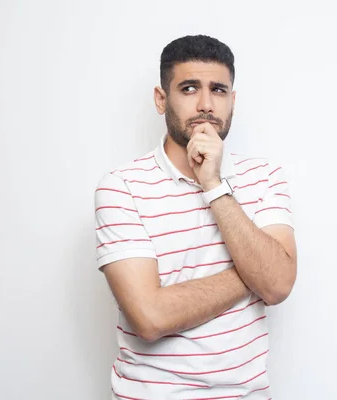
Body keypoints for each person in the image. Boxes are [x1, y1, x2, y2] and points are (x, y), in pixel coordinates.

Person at [94, 34, 297, 400]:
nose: (206, 105)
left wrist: (214, 186)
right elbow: (150, 317)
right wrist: (255, 272)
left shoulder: (265, 178)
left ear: (232, 101)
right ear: (161, 99)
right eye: (189, 88)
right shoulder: (121, 186)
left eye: (218, 90)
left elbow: (279, 286)